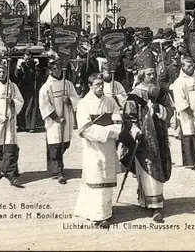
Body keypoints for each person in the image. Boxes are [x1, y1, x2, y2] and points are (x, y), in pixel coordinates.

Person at [119, 53, 174, 223]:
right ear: (142, 75)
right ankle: (152, 204)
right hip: (143, 138)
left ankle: (155, 201)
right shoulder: (134, 94)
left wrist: (160, 111)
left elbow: (170, 110)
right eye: (148, 74)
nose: (152, 76)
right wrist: (135, 130)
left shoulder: (160, 91)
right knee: (147, 169)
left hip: (160, 136)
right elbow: (129, 117)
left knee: (158, 166)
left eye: (153, 73)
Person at [74, 73, 122, 229]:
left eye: (102, 84)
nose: (100, 87)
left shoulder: (110, 101)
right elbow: (85, 129)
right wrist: (108, 132)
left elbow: (118, 121)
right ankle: (98, 215)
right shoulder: (84, 104)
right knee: (95, 179)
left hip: (108, 147)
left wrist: (112, 130)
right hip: (92, 148)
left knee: (106, 179)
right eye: (97, 85)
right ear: (90, 86)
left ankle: (106, 211)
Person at [39, 59, 80, 184]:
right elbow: (44, 105)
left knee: (65, 144)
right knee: (55, 144)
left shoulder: (67, 84)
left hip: (66, 117)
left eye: (59, 67)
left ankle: (54, 165)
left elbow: (75, 97)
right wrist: (56, 117)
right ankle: (58, 171)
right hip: (54, 120)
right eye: (54, 69)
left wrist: (69, 100)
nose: (57, 71)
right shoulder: (46, 87)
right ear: (50, 70)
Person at [171, 57, 195, 167]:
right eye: (188, 66)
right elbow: (180, 101)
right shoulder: (179, 82)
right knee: (189, 135)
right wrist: (192, 113)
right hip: (188, 113)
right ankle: (190, 162)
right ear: (182, 67)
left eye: (192, 65)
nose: (191, 67)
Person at [14, 50, 41, 132]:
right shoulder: (21, 65)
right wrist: (18, 67)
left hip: (31, 88)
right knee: (21, 107)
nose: (28, 60)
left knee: (31, 108)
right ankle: (21, 125)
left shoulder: (34, 65)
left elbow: (38, 76)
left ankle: (30, 126)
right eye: (26, 57)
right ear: (24, 57)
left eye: (29, 57)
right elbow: (16, 76)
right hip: (22, 88)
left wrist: (36, 66)